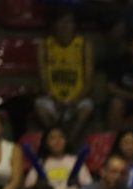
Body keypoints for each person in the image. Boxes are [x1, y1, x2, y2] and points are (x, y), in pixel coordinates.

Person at [35, 10, 94, 145]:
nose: (64, 26)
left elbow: (89, 82)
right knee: (41, 108)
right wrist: (53, 98)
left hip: (77, 97)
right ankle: (54, 140)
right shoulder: (44, 45)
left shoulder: (84, 45)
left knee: (86, 108)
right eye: (61, 22)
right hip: (53, 97)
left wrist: (74, 100)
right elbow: (43, 80)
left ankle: (68, 144)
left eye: (68, 22)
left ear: (74, 25)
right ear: (54, 25)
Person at [23, 126, 92, 189]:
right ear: (46, 143)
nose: (57, 141)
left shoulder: (75, 161)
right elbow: (28, 188)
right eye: (52, 138)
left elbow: (88, 186)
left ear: (66, 140)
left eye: (61, 137)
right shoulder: (40, 163)